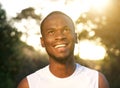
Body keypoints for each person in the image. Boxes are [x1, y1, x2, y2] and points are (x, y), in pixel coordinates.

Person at [17, 11, 109, 88]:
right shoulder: (28, 85)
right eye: (51, 32)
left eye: (66, 30)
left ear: (76, 37)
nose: (60, 36)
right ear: (42, 42)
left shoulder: (97, 81)